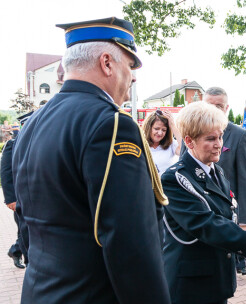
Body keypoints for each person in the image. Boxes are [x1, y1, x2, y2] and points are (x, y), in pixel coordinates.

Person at [12, 17, 171, 303]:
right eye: (130, 65)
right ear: (107, 63)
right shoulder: (111, 124)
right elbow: (131, 244)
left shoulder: (31, 125)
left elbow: (25, 222)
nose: (133, 77)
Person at [161, 101, 246, 304]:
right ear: (189, 141)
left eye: (220, 137)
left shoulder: (217, 171)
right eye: (210, 139)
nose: (219, 144)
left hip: (216, 279)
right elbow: (205, 224)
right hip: (190, 286)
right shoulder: (174, 179)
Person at [203, 86, 246, 275]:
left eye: (219, 106)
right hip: (200, 207)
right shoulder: (192, 132)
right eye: (210, 105)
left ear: (226, 108)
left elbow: (245, 180)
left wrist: (244, 219)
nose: (215, 110)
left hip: (227, 209)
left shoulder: (238, 135)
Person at [1, 130, 26, 269]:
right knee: (25, 229)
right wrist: (10, 199)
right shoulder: (12, 144)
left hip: (36, 195)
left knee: (26, 230)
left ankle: (16, 251)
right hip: (20, 197)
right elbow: (5, 172)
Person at [143, 109, 182, 175]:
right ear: (148, 128)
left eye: (164, 130)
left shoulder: (171, 145)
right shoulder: (140, 144)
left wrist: (172, 125)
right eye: (156, 129)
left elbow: (185, 150)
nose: (160, 133)